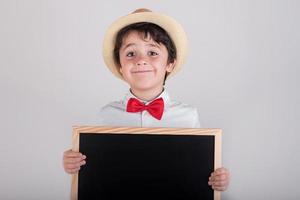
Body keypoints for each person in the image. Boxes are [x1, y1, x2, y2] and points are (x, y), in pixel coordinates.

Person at [63, 8, 230, 191]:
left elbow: (198, 169)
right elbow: (96, 168)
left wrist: (217, 179)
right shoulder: (106, 115)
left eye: (152, 53)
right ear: (120, 66)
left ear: (170, 63)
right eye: (130, 54)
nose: (141, 60)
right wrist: (73, 162)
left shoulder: (188, 117)